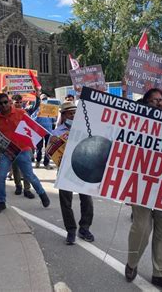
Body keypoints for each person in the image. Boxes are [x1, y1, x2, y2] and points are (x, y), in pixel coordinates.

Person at [125, 88, 162, 292]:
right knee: (141, 228)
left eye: (161, 100)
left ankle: (160, 273)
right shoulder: (135, 122)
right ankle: (132, 263)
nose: (159, 103)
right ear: (145, 102)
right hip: (142, 183)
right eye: (154, 100)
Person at [0, 93, 50, 214]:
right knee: (0, 177)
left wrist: (32, 148)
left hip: (23, 150)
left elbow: (32, 130)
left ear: (9, 102)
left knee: (29, 176)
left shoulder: (21, 113)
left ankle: (42, 194)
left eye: (5, 102)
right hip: (6, 153)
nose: (3, 105)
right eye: (0, 103)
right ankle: (1, 202)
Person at [55, 102, 95, 245]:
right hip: (65, 171)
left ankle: (84, 228)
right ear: (63, 115)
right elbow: (51, 153)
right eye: (69, 113)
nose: (72, 115)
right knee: (66, 202)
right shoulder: (57, 133)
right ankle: (71, 230)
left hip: (83, 169)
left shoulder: (86, 129)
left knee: (87, 201)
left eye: (74, 112)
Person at [10, 93, 40, 199]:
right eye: (16, 102)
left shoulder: (26, 111)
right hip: (13, 144)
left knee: (27, 167)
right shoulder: (8, 113)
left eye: (20, 102)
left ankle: (27, 189)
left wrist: (37, 93)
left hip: (25, 144)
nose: (18, 104)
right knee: (15, 167)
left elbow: (37, 104)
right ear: (12, 103)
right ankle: (18, 186)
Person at [32, 94, 54, 169]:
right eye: (43, 99)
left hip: (48, 131)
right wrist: (37, 115)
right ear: (40, 100)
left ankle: (46, 163)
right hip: (39, 131)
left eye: (45, 99)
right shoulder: (37, 109)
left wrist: (54, 115)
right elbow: (32, 120)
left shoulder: (50, 109)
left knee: (48, 148)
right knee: (39, 148)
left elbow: (54, 120)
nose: (44, 100)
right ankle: (38, 161)